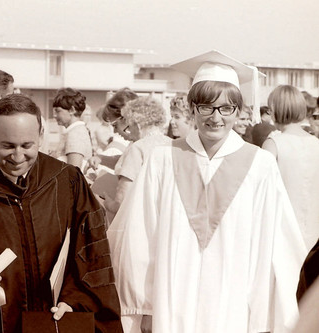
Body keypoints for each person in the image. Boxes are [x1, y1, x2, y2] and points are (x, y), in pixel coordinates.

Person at [107, 50, 306, 332]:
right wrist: (144, 306)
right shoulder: (162, 160)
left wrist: (266, 312)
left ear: (238, 111)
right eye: (206, 107)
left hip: (236, 305)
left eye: (226, 108)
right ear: (192, 109)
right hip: (171, 302)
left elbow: (276, 247)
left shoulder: (260, 165)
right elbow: (140, 237)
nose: (216, 117)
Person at [0, 94, 123, 333]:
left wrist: (74, 299)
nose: (18, 156)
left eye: (26, 146)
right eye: (8, 146)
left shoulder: (66, 181)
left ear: (41, 136)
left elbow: (92, 253)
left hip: (56, 318)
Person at [262, 85, 319, 251]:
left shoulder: (273, 144)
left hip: (283, 231)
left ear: (275, 109)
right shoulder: (316, 144)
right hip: (314, 231)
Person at [104, 96, 171, 217]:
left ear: (137, 124)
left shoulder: (138, 148)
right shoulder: (172, 144)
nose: (128, 131)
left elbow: (122, 201)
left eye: (129, 126)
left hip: (141, 218)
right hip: (166, 215)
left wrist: (107, 203)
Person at [87, 88, 138, 171]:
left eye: (115, 125)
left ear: (126, 118)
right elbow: (125, 162)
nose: (114, 131)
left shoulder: (142, 145)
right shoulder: (135, 143)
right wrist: (101, 158)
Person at [53, 87, 92, 169]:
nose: (54, 115)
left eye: (58, 111)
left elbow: (73, 171)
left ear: (71, 110)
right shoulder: (75, 131)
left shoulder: (75, 134)